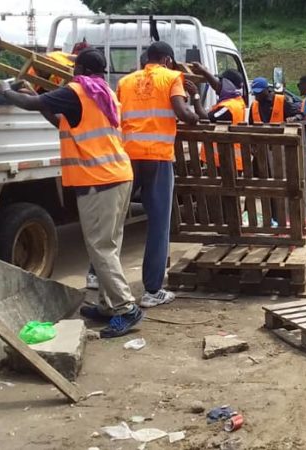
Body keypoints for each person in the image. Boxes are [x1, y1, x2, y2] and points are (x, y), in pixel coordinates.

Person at [0, 48, 141, 338]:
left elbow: (31, 102)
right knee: (106, 245)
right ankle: (108, 305)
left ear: (81, 69)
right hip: (117, 176)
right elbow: (64, 122)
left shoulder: (77, 91)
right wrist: (37, 100)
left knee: (101, 249)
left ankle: (125, 308)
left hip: (100, 180)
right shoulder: (105, 94)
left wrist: (6, 91)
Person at [118, 41, 199, 308]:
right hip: (158, 156)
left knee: (115, 219)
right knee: (159, 223)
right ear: (166, 60)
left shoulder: (126, 81)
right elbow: (184, 114)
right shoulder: (172, 77)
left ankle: (97, 275)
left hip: (129, 154)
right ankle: (152, 290)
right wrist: (194, 104)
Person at [188, 64, 247, 171]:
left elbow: (205, 118)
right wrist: (205, 72)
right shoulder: (237, 100)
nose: (218, 84)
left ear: (228, 86)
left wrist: (195, 95)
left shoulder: (228, 107)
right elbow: (217, 87)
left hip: (224, 163)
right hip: (224, 160)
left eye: (221, 82)